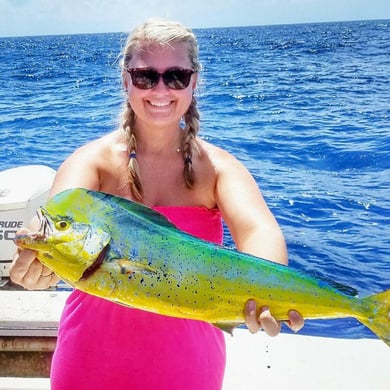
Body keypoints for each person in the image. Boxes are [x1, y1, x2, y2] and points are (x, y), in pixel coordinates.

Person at [10, 18, 304, 389]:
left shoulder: (218, 169)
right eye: (146, 76)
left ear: (194, 82)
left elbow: (258, 230)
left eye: (176, 76)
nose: (161, 89)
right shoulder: (92, 162)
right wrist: (36, 258)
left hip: (187, 370)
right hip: (89, 365)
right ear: (126, 80)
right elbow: (56, 218)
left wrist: (269, 288)